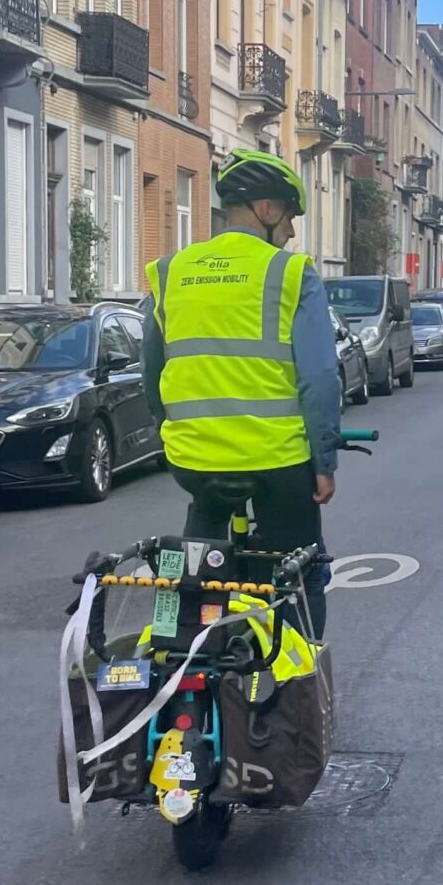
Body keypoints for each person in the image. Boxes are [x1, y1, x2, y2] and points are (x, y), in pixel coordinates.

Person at [141, 149, 343, 637]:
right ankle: (298, 666)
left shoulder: (170, 272)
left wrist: (169, 431)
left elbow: (151, 369)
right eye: (289, 216)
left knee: (198, 564)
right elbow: (319, 378)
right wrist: (324, 462)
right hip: (277, 462)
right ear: (266, 210)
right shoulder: (291, 272)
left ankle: (186, 635)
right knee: (299, 572)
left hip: (194, 462)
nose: (291, 231)